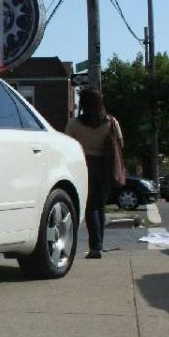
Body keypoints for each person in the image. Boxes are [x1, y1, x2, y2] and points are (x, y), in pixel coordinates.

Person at [64, 88, 123, 259]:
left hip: (84, 165)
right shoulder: (111, 122)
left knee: (90, 208)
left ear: (82, 103)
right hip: (105, 165)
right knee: (100, 206)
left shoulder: (74, 124)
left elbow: (69, 146)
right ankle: (99, 245)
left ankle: (95, 247)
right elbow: (120, 143)